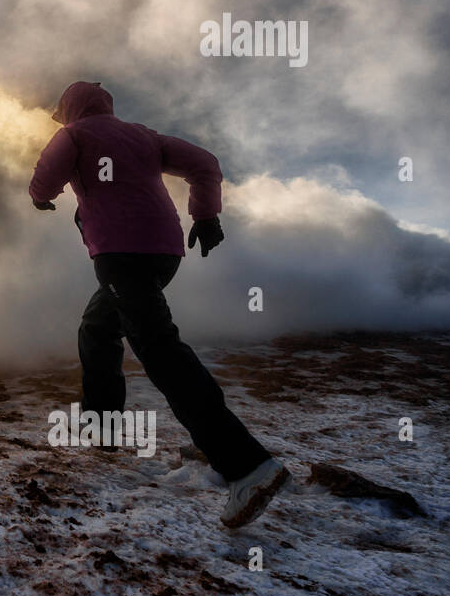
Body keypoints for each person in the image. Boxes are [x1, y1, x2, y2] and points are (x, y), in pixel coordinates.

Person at [29, 81, 288, 527]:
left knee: (160, 352)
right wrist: (205, 215)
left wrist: (40, 198)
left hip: (119, 256)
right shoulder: (145, 136)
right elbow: (204, 164)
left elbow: (45, 178)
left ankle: (246, 466)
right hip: (164, 254)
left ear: (68, 111)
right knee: (97, 328)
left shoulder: (73, 135)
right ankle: (103, 430)